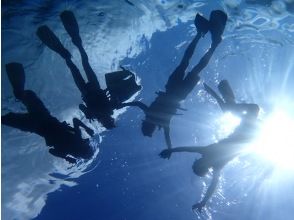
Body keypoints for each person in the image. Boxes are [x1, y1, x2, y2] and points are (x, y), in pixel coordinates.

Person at [118, 10, 227, 149]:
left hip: (179, 93)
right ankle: (201, 34)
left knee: (194, 67)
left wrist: (170, 149)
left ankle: (211, 42)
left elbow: (166, 136)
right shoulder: (155, 117)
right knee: (186, 62)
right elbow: (138, 105)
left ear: (149, 127)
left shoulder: (161, 121)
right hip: (173, 88)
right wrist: (123, 105)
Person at [159, 80, 260, 212]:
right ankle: (220, 95)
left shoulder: (206, 152)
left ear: (200, 162)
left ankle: (220, 93)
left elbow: (186, 149)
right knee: (231, 108)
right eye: (202, 165)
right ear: (205, 167)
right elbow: (213, 185)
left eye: (199, 163)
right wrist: (204, 202)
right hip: (251, 133)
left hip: (249, 130)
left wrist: (171, 150)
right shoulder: (216, 165)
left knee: (230, 108)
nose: (202, 161)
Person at [36, 10, 141, 129]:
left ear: (102, 123)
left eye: (105, 123)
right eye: (109, 121)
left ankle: (65, 52)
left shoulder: (94, 115)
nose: (106, 120)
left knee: (73, 66)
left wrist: (86, 112)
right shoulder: (110, 108)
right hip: (95, 86)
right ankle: (78, 45)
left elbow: (81, 106)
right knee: (84, 64)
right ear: (111, 119)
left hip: (84, 90)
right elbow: (119, 97)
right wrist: (117, 100)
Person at [2, 63, 95, 163]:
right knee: (5, 118)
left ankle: (14, 67)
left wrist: (87, 128)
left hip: (43, 116)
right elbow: (51, 151)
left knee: (23, 94)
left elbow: (75, 120)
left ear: (85, 147)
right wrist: (66, 157)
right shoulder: (65, 151)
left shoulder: (77, 138)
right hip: (36, 126)